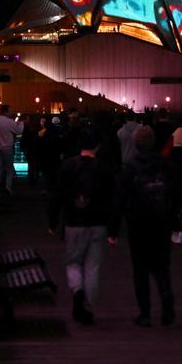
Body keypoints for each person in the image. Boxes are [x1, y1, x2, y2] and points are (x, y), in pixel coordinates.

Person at [110, 125, 182, 326]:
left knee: (140, 270)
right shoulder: (165, 164)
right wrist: (176, 218)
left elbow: (120, 198)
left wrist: (113, 229)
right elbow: (178, 192)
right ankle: (167, 305)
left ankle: (145, 312)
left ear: (135, 144)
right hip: (161, 222)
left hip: (138, 223)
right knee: (162, 267)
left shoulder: (130, 168)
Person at [49, 127, 117, 325]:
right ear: (97, 146)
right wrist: (113, 228)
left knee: (73, 262)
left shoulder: (68, 166)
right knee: (93, 266)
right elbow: (112, 199)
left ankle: (77, 290)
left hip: (74, 221)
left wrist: (53, 221)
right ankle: (88, 306)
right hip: (98, 223)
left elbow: (58, 195)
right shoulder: (104, 168)